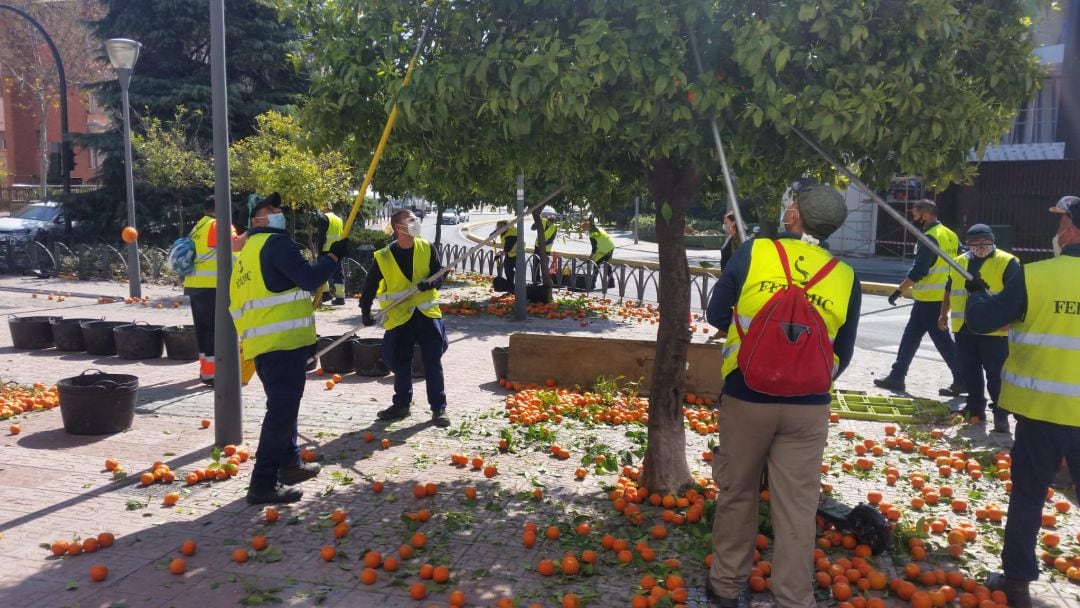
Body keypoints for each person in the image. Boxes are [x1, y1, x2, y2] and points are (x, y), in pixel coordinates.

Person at [705, 180, 861, 608]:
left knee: (737, 493)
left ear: (795, 216)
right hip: (808, 410)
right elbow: (841, 354)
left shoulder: (756, 251)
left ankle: (725, 587)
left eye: (791, 204)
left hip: (746, 397)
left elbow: (716, 314)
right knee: (797, 507)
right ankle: (794, 598)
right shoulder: (846, 276)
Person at [964, 196, 1080, 607]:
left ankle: (1016, 583)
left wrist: (977, 295)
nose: (1058, 229)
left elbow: (981, 320)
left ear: (1070, 231)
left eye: (1062, 221)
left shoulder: (1036, 277)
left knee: (1030, 498)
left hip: (1041, 415)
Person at [230, 192, 350, 505]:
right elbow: (309, 278)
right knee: (280, 415)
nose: (278, 211)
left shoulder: (247, 252)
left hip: (263, 346)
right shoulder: (276, 243)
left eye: (278, 207)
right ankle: (263, 483)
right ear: (256, 219)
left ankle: (289, 464)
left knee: (284, 410)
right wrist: (334, 256)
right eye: (270, 208)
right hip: (282, 346)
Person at [358, 209, 451, 428]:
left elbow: (440, 273)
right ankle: (401, 404)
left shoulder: (427, 247)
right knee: (401, 362)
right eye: (411, 220)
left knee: (433, 361)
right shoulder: (383, 256)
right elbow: (370, 285)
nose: (416, 222)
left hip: (426, 313)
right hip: (400, 316)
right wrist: (365, 310)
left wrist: (431, 283)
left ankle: (439, 408)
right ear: (399, 228)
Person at [874, 199, 964, 395]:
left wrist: (899, 290)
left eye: (914, 215)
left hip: (930, 299)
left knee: (941, 341)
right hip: (936, 297)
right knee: (911, 338)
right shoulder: (950, 234)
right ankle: (897, 377)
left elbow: (919, 271)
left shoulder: (929, 237)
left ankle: (962, 377)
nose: (913, 219)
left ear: (925, 214)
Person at [938, 224, 1020, 432]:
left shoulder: (1007, 262)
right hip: (964, 329)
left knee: (996, 375)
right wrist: (942, 314)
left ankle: (1000, 414)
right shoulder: (958, 262)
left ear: (993, 240)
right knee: (970, 372)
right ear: (968, 244)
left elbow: (1017, 295)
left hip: (994, 330)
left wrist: (1011, 319)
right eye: (975, 242)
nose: (980, 245)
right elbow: (949, 290)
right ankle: (975, 410)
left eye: (985, 241)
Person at [183, 195, 240, 385]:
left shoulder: (198, 227)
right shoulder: (218, 225)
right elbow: (235, 249)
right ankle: (217, 373)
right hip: (213, 286)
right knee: (217, 331)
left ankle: (207, 371)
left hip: (194, 285)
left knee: (203, 330)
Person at [314, 204, 346, 305]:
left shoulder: (323, 218)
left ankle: (326, 294)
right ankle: (340, 298)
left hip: (326, 250)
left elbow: (322, 237)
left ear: (323, 207)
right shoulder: (339, 219)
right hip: (338, 250)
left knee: (323, 272)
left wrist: (319, 252)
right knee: (339, 274)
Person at [583, 218, 615, 288]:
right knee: (607, 266)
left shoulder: (592, 234)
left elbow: (594, 248)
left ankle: (592, 284)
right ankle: (611, 283)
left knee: (596, 266)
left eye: (584, 230)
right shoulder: (599, 229)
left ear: (588, 228)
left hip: (603, 250)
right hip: (611, 248)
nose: (584, 231)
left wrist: (590, 257)